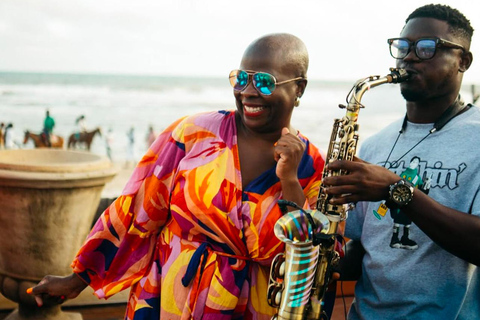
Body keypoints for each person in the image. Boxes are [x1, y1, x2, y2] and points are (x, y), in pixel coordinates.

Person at [28, 33, 326, 319]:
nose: (248, 91)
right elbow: (136, 210)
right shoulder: (193, 135)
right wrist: (77, 280)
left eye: (264, 81)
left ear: (299, 88)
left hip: (254, 310)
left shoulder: (311, 166)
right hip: (168, 300)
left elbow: (308, 260)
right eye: (242, 78)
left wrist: (289, 180)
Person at [324, 4, 480, 319]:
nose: (408, 57)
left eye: (426, 48)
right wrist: (324, 262)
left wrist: (396, 189)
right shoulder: (374, 144)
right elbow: (366, 245)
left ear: (463, 61)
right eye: (402, 47)